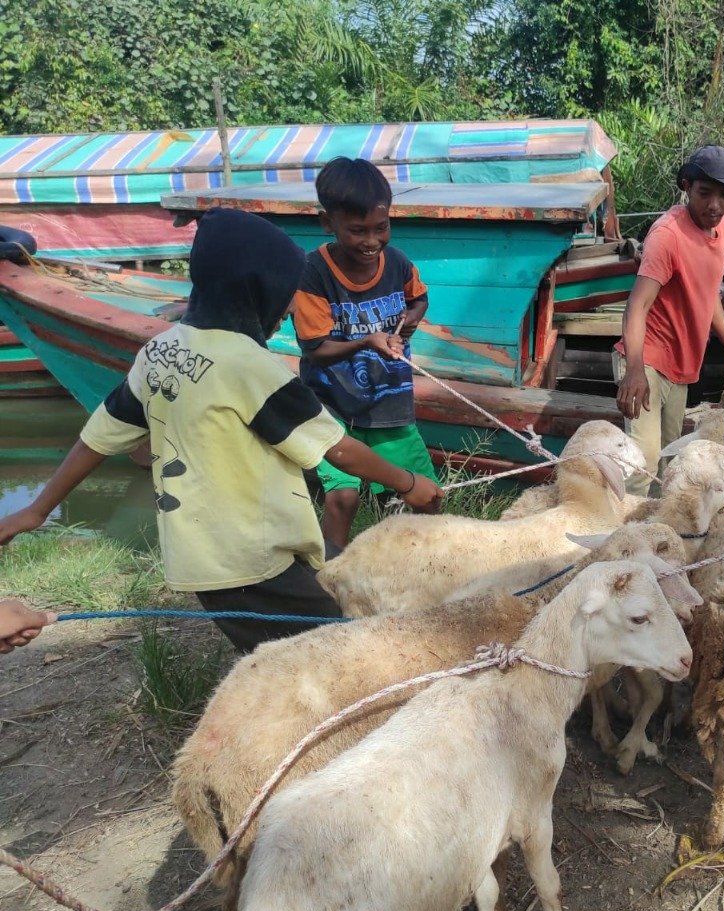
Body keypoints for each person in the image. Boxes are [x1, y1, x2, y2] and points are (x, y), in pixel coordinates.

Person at [0, 208, 443, 653]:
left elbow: (97, 438)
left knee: (290, 634)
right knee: (335, 652)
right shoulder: (251, 367)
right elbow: (339, 449)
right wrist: (409, 483)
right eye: (288, 294)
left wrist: (38, 509)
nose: (291, 308)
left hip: (203, 561)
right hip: (256, 562)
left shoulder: (159, 350)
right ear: (260, 290)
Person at [291, 157, 442, 550]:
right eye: (357, 231)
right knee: (343, 498)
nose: (372, 241)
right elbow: (316, 350)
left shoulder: (397, 263)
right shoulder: (312, 273)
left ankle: (435, 568)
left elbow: (420, 299)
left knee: (427, 496)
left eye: (381, 227)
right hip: (331, 408)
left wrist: (411, 319)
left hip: (387, 403)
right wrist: (366, 340)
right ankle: (332, 580)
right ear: (328, 223)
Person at [615, 146, 724, 495]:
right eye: (704, 193)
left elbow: (707, 298)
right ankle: (621, 540)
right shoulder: (667, 235)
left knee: (670, 462)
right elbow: (636, 307)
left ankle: (656, 538)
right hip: (648, 358)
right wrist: (635, 370)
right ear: (687, 187)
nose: (714, 204)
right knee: (643, 462)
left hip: (682, 364)